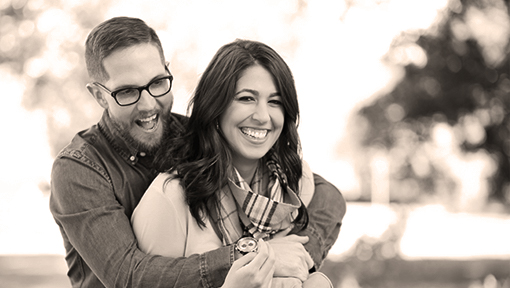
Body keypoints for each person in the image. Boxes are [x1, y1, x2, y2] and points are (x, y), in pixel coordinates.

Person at [49, 16, 346, 288]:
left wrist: (298, 260)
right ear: (99, 95)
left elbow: (326, 195)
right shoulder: (79, 169)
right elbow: (129, 275)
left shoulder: (195, 134)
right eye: (127, 92)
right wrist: (257, 256)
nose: (149, 105)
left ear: (168, 72)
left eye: (157, 83)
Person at [131, 39, 336, 287]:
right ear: (215, 108)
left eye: (275, 102)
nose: (262, 116)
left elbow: (333, 205)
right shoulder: (169, 199)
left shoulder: (295, 181)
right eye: (246, 99)